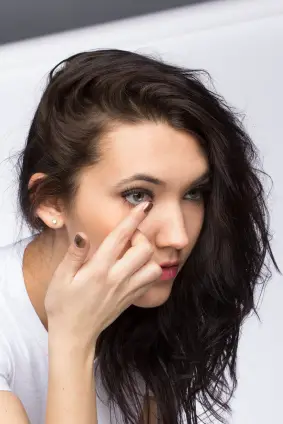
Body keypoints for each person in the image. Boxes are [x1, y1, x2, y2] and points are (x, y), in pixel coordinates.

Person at [0, 48, 279, 424]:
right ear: (50, 202)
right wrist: (72, 343)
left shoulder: (143, 310)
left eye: (193, 193)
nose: (178, 236)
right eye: (138, 195)